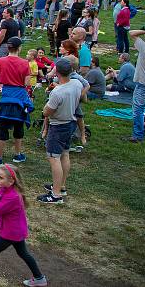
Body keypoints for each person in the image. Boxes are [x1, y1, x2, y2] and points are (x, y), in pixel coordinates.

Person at [0, 37, 32, 166]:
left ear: (8, 47)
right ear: (19, 48)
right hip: (20, 96)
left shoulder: (0, 61)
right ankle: (18, 154)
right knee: (19, 124)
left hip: (7, 95)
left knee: (3, 126)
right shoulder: (25, 63)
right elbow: (26, 83)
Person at [38, 58, 81, 204]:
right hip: (70, 123)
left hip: (58, 127)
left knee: (53, 158)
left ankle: (55, 195)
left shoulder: (57, 92)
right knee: (64, 154)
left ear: (57, 72)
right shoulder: (76, 83)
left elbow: (46, 112)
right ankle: (61, 186)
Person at [127, 28, 145, 143]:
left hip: (142, 83)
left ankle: (138, 135)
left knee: (138, 109)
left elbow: (131, 32)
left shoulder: (144, 47)